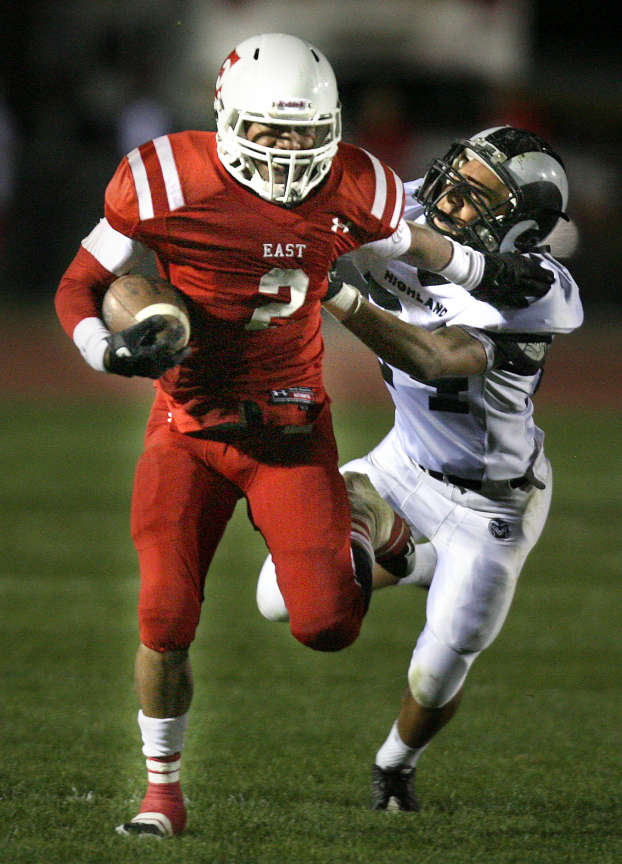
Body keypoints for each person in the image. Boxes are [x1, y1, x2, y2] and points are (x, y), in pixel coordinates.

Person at [56, 29, 554, 835]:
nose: (291, 149)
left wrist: (481, 270)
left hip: (291, 426)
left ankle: (391, 542)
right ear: (227, 117)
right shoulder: (162, 175)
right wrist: (106, 347)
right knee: (166, 615)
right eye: (272, 129)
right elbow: (82, 284)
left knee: (326, 625)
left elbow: (417, 244)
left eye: (305, 130)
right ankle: (161, 797)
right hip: (188, 424)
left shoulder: (354, 180)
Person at [256, 125, 583, 811]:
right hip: (404, 461)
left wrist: (338, 296)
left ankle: (394, 765)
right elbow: (309, 205)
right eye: (456, 174)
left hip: (495, 502)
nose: (450, 197)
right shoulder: (403, 208)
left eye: (476, 198)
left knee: (438, 671)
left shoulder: (536, 288)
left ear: (518, 227)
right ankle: (401, 547)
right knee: (277, 598)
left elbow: (434, 359)